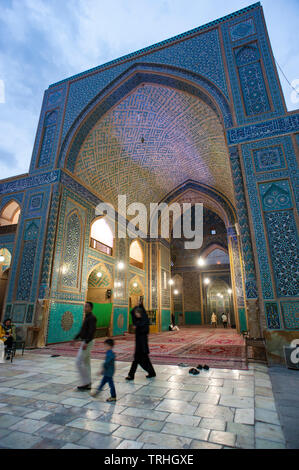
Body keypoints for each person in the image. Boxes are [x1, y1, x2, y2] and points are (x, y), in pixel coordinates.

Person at [126, 300, 156, 380]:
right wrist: (138, 305)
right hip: (139, 344)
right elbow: (132, 312)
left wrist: (138, 326)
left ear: (140, 313)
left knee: (137, 360)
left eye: (137, 313)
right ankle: (152, 373)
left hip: (142, 345)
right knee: (144, 360)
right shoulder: (138, 320)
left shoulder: (144, 320)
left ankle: (131, 375)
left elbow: (144, 329)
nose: (135, 315)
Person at [73, 302, 97, 391]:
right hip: (86, 341)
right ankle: (88, 383)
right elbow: (82, 329)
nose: (85, 308)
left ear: (90, 308)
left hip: (88, 342)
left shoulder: (92, 318)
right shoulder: (87, 317)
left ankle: (86, 382)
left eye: (86, 306)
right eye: (85, 306)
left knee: (78, 362)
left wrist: (86, 342)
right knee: (86, 363)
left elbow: (92, 331)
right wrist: (76, 338)